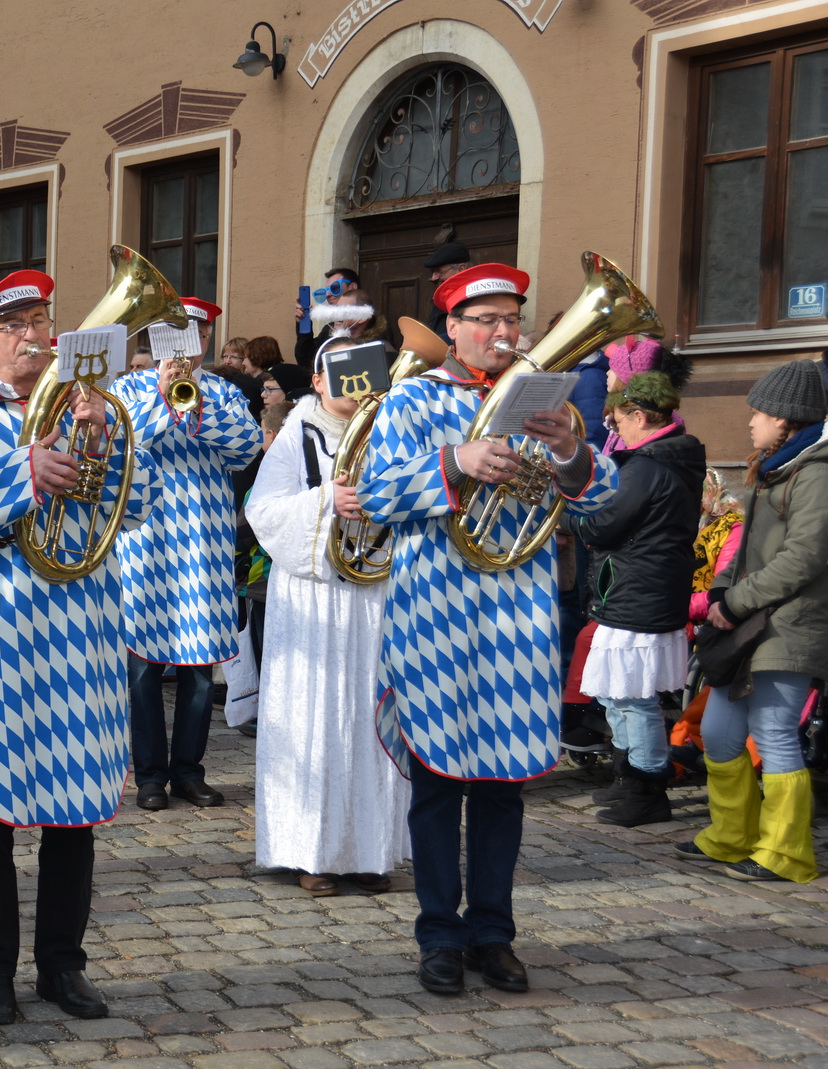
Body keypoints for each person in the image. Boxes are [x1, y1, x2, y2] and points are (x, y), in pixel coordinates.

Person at [360, 262, 617, 997]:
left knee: (503, 785)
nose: (505, 333)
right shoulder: (410, 399)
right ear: (455, 328)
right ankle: (438, 933)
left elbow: (602, 501)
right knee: (439, 782)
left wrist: (569, 450)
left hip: (517, 613)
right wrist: (457, 460)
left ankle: (494, 932)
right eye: (489, 321)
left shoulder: (544, 400)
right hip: (435, 610)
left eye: (513, 320)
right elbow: (374, 492)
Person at [0, 269, 154, 1025]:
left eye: (41, 318)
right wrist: (25, 472)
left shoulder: (95, 407)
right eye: (14, 323)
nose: (32, 334)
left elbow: (140, 501)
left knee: (74, 810)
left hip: (81, 630)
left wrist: (100, 437)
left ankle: (63, 964)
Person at [246, 338, 409, 895]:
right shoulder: (298, 432)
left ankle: (370, 850)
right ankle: (310, 850)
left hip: (376, 591)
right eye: (337, 375)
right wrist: (324, 502)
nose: (353, 386)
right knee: (315, 717)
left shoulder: (393, 426)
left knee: (371, 715)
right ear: (317, 382)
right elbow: (263, 510)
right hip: (314, 595)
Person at [110, 297, 262, 810]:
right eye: (173, 334)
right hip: (144, 543)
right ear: (156, 341)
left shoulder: (222, 391)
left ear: (204, 340)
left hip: (203, 544)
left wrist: (196, 409)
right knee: (143, 668)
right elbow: (122, 443)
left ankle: (189, 771)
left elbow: (245, 447)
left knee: (199, 672)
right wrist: (162, 398)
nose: (184, 345)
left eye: (194, 334)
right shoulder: (126, 388)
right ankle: (150, 776)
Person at [681, 360, 828, 884]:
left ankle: (785, 853)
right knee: (719, 733)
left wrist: (736, 600)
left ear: (787, 420)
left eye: (760, 412)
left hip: (789, 626)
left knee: (774, 733)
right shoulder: (777, 468)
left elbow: (804, 557)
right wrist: (722, 591)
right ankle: (731, 836)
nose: (751, 422)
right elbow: (747, 550)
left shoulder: (816, 472)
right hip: (751, 624)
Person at [571, 371, 705, 827]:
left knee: (633, 698)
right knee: (618, 694)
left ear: (640, 417)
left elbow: (606, 524)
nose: (615, 430)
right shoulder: (667, 458)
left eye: (618, 421)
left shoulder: (649, 466)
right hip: (642, 587)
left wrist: (574, 520)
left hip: (640, 590)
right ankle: (629, 780)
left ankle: (646, 789)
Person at [293, 266, 358, 373]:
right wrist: (304, 326)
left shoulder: (374, 324)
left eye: (335, 288)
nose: (328, 294)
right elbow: (306, 361)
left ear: (352, 287)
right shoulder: (328, 329)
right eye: (325, 291)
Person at [423, 241, 472, 338]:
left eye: (439, 272)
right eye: (433, 272)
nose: (434, 278)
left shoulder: (476, 299)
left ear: (461, 269)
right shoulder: (440, 299)